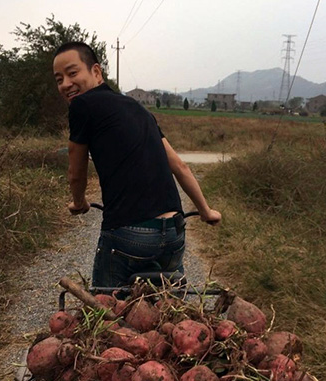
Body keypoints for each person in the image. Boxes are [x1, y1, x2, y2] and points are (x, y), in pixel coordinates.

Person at [53, 41, 221, 288]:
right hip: (174, 231)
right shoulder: (138, 108)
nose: (66, 83)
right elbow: (180, 167)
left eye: (72, 73)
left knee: (106, 310)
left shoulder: (82, 105)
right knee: (169, 312)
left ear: (96, 72)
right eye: (59, 79)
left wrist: (79, 202)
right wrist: (205, 211)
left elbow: (76, 171)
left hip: (129, 235)